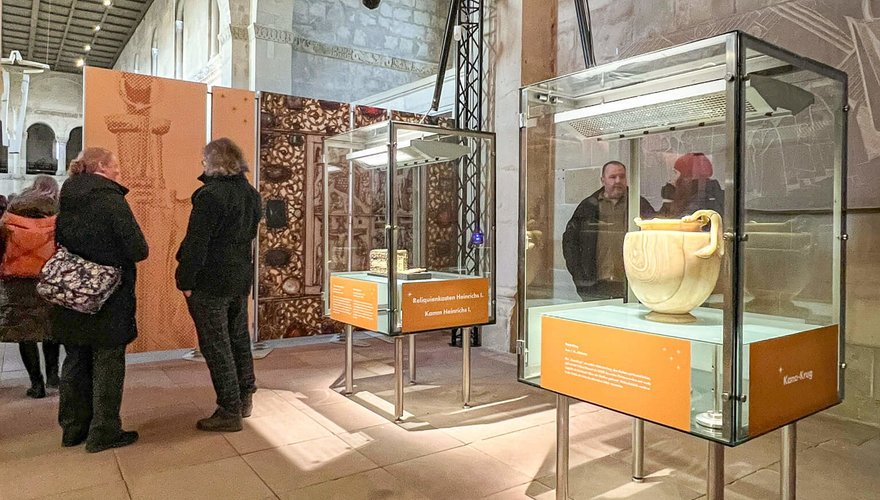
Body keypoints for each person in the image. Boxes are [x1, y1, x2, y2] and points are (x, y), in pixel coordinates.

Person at [53, 147, 149, 452]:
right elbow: (138, 249)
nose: (118, 171)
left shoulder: (67, 197)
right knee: (108, 360)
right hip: (109, 295)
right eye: (114, 165)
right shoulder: (110, 199)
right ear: (101, 167)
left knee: (75, 358)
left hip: (73, 290)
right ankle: (104, 431)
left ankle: (72, 429)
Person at [176, 138, 261, 432]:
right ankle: (244, 397)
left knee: (216, 344)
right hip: (239, 277)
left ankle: (229, 410)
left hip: (210, 280)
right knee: (238, 339)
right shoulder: (251, 194)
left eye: (204, 159)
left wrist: (185, 280)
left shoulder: (209, 195)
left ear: (214, 163)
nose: (202, 164)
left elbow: (197, 243)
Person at [0, 176, 61, 398]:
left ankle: (37, 385)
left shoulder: (11, 215)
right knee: (50, 329)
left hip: (17, 281)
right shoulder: (58, 215)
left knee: (25, 332)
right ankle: (53, 377)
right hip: (49, 277)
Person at [562, 161, 655, 300]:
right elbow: (570, 243)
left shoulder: (639, 205)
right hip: (596, 286)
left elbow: (655, 239)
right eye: (612, 177)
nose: (618, 181)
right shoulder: (588, 206)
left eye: (622, 176)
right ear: (603, 180)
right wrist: (581, 278)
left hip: (631, 286)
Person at [658, 152, 724, 218]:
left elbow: (684, 221)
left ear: (686, 177)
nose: (672, 180)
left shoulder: (702, 198)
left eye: (675, 173)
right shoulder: (696, 194)